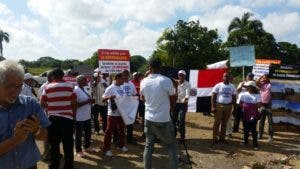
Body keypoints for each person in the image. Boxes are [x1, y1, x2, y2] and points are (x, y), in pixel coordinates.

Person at [0, 60, 50, 169]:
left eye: (19, 86)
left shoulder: (31, 104)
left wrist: (36, 130)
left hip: (30, 166)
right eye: (9, 86)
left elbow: (44, 135)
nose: (15, 91)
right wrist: (16, 139)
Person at [140, 58, 178, 169]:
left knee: (148, 146)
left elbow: (142, 98)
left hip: (149, 118)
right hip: (163, 119)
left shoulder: (143, 81)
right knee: (171, 146)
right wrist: (170, 106)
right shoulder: (166, 80)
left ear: (149, 68)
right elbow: (173, 99)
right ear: (160, 67)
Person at [40, 68, 77, 169]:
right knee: (68, 145)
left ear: (53, 76)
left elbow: (42, 104)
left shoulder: (47, 87)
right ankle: (68, 166)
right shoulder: (70, 86)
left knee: (54, 145)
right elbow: (74, 103)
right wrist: (73, 118)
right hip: (67, 119)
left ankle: (54, 166)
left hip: (52, 119)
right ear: (62, 76)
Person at [102, 73, 128, 157]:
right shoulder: (110, 88)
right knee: (109, 131)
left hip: (121, 113)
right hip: (112, 113)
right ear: (117, 78)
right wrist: (110, 97)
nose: (124, 81)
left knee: (122, 130)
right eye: (122, 79)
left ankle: (121, 145)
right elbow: (103, 99)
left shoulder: (122, 87)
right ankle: (106, 149)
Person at [211, 72, 236, 144]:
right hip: (219, 106)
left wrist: (234, 108)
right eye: (225, 76)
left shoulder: (232, 86)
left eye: (228, 76)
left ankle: (222, 138)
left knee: (224, 123)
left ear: (230, 78)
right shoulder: (218, 85)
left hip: (229, 106)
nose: (226, 78)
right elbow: (213, 96)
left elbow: (234, 97)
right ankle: (214, 138)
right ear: (223, 77)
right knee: (217, 123)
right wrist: (213, 106)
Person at [74, 75, 95, 157]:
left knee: (88, 132)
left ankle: (87, 146)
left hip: (87, 115)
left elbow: (87, 100)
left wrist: (91, 101)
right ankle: (78, 150)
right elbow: (75, 105)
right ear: (79, 81)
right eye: (85, 80)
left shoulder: (85, 89)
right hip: (79, 117)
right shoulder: (75, 90)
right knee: (78, 134)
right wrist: (87, 101)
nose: (86, 81)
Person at [239, 81, 262, 149]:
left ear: (251, 87)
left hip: (253, 114)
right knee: (245, 128)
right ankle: (245, 141)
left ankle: (255, 144)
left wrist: (252, 107)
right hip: (245, 113)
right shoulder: (243, 94)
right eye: (246, 86)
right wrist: (245, 107)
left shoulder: (257, 95)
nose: (246, 87)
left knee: (253, 129)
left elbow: (259, 105)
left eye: (247, 86)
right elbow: (240, 102)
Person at [172, 70, 190, 142]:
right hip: (175, 104)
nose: (181, 76)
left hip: (183, 104)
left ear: (185, 76)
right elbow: (173, 92)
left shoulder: (187, 84)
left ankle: (182, 137)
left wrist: (186, 99)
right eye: (179, 75)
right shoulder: (175, 83)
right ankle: (174, 135)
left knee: (182, 120)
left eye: (182, 75)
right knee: (173, 120)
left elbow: (187, 94)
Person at [122, 69, 137, 144]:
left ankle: (129, 139)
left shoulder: (131, 84)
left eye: (127, 74)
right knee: (120, 124)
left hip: (129, 107)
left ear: (129, 75)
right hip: (120, 107)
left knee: (130, 124)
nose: (125, 76)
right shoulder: (118, 83)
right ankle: (118, 139)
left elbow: (134, 94)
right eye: (124, 74)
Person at [257, 74, 273, 142]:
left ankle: (270, 136)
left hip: (269, 105)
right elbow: (256, 82)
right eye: (263, 78)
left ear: (268, 79)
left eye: (265, 78)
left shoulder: (270, 85)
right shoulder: (261, 84)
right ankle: (260, 134)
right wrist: (261, 77)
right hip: (262, 105)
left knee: (270, 121)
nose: (264, 79)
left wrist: (268, 80)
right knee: (261, 120)